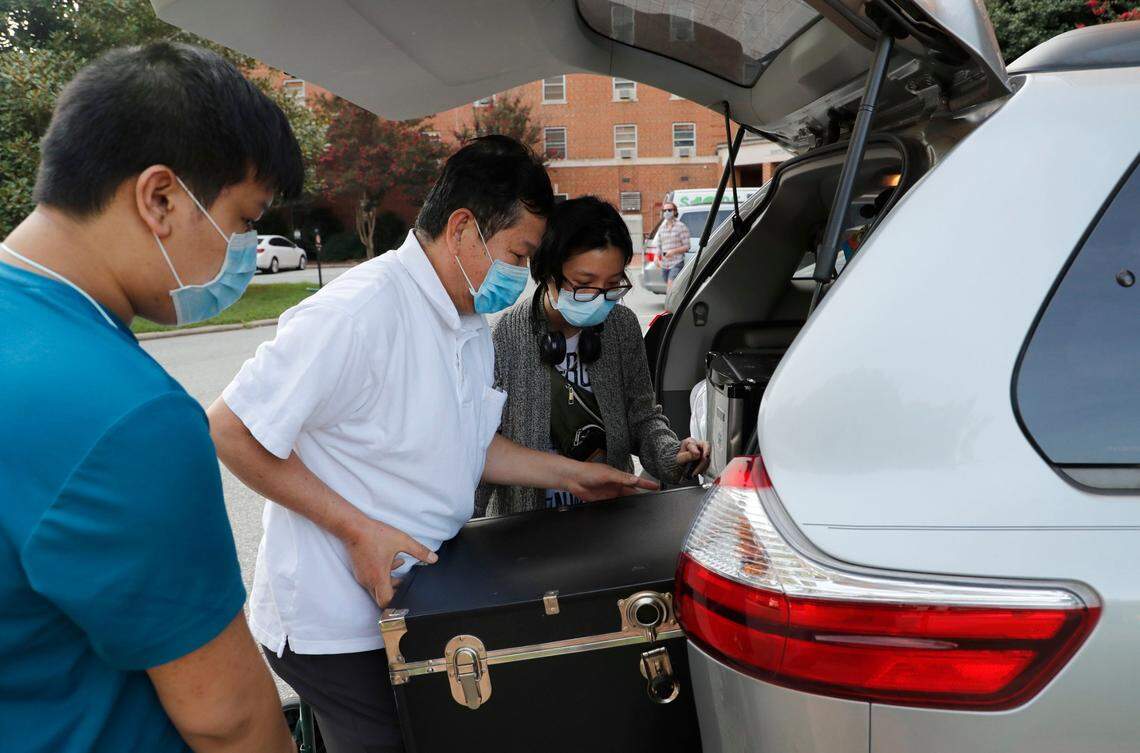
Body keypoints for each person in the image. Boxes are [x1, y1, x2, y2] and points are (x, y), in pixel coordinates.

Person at [207, 136, 657, 753]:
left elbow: (474, 446)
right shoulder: (360, 311)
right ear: (464, 227)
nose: (522, 275)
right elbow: (232, 427)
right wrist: (357, 530)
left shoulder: (466, 319)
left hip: (418, 603)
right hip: (340, 623)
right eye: (519, 254)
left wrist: (575, 476)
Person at [0, 43, 299, 753]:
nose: (246, 253)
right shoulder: (127, 413)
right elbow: (227, 717)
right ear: (160, 198)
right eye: (244, 220)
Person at [477, 196, 710, 515]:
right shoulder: (503, 338)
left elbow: (642, 417)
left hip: (608, 518)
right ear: (548, 273)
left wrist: (673, 455)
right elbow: (483, 447)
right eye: (585, 285)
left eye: (613, 285)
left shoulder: (621, 326)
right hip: (527, 527)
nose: (600, 300)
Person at [656, 199, 690, 292]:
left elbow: (687, 247)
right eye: (664, 210)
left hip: (676, 263)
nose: (667, 212)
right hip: (664, 264)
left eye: (669, 210)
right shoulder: (662, 228)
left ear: (675, 212)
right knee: (673, 289)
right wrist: (656, 257)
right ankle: (676, 304)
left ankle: (668, 306)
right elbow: (659, 245)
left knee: (670, 289)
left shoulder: (681, 226)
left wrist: (673, 251)